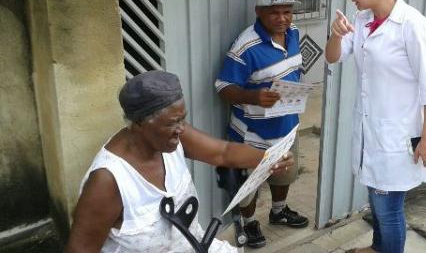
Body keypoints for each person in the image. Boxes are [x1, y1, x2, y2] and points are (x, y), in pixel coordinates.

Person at [65, 70, 294, 253]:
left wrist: (268, 158)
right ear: (139, 123)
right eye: (172, 123)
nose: (181, 130)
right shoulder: (108, 181)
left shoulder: (171, 138)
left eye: (183, 119)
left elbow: (222, 153)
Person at [325, 0, 426, 253]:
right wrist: (336, 36)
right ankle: (379, 248)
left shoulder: (412, 25)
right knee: (377, 201)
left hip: (398, 137)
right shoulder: (362, 19)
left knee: (388, 208)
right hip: (370, 132)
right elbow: (333, 57)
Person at [214, 0, 309, 249]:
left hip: (286, 124)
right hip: (252, 131)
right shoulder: (246, 45)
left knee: (284, 175)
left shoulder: (293, 34)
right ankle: (250, 222)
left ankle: (278, 211)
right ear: (258, 12)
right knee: (251, 183)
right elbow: (223, 87)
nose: (282, 19)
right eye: (274, 13)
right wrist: (252, 97)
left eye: (287, 12)